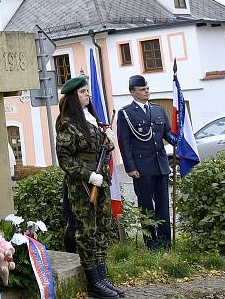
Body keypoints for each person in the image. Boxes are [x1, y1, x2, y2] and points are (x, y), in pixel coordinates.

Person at [55, 76, 123, 299]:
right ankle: (94, 282)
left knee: (102, 228)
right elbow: (64, 159)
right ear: (74, 96)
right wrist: (87, 175)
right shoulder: (68, 122)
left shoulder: (90, 118)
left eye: (87, 91)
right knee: (87, 231)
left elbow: (97, 150)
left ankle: (102, 278)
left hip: (99, 181)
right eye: (84, 92)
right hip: (82, 187)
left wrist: (109, 143)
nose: (88, 95)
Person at [117, 75, 176, 250]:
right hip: (142, 168)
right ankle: (151, 243)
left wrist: (180, 141)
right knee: (146, 206)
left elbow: (168, 134)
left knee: (163, 205)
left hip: (161, 165)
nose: (146, 92)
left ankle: (165, 243)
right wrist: (130, 167)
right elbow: (124, 143)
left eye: (147, 88)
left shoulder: (158, 110)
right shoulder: (126, 114)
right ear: (132, 92)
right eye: (142, 89)